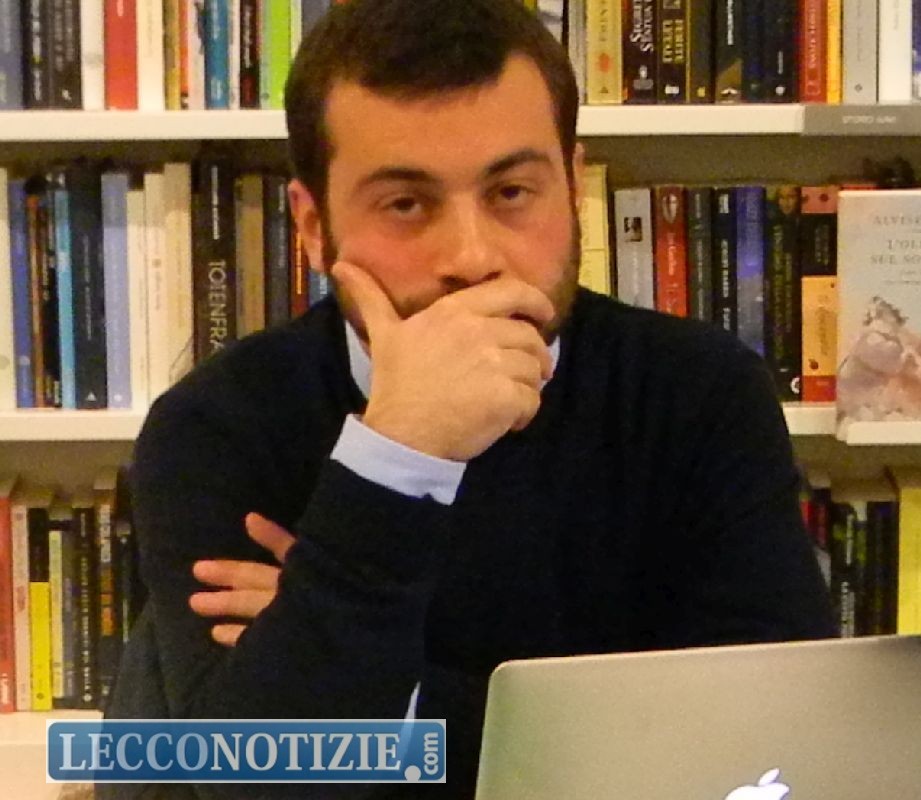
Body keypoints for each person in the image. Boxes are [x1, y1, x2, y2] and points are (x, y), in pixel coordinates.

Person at [103, 1, 836, 798]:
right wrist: (399, 452)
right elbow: (264, 778)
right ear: (312, 227)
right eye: (406, 204)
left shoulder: (700, 393)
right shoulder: (216, 424)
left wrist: (399, 700)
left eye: (512, 191)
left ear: (571, 187)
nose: (472, 256)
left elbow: (764, 751)